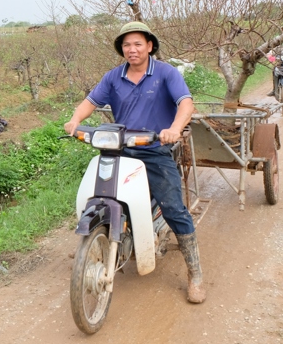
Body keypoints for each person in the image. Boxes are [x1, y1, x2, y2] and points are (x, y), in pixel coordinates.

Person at [64, 21, 205, 304]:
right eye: (127, 45)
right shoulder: (114, 77)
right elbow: (90, 101)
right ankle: (102, 238)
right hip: (120, 150)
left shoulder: (166, 73)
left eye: (138, 44)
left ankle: (195, 273)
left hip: (154, 149)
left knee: (174, 208)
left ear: (150, 46)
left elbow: (186, 103)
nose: (132, 49)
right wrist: (74, 121)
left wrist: (175, 128)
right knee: (101, 193)